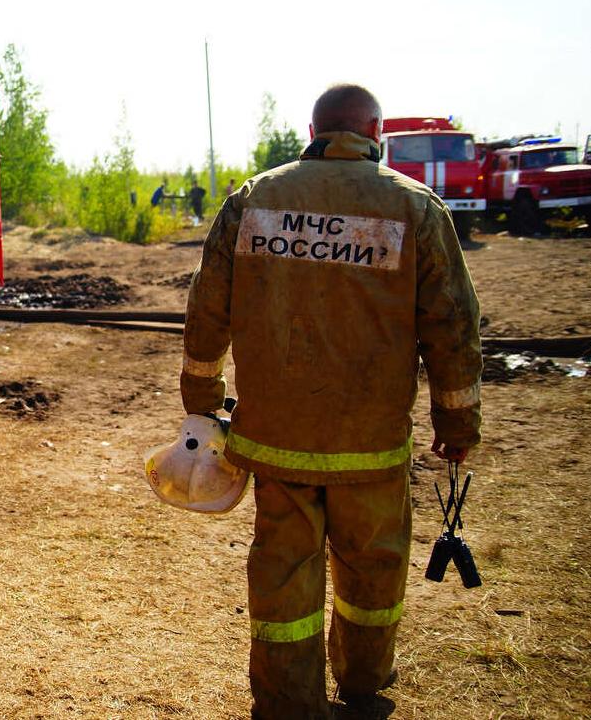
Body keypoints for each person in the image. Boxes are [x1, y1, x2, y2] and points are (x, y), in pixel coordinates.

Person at [180, 84, 482, 718]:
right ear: (374, 131)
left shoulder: (255, 199)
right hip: (369, 445)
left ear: (313, 128)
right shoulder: (415, 208)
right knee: (372, 571)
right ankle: (364, 687)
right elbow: (452, 324)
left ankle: (290, 704)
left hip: (278, 443)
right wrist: (456, 421)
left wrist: (202, 396)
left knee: (284, 577)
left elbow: (208, 308)